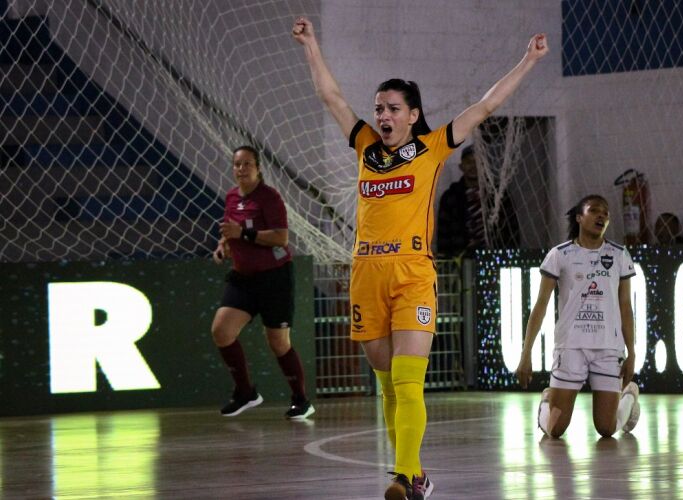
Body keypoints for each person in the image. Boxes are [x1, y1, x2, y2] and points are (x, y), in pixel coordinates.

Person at [292, 17, 547, 500]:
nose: (382, 115)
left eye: (392, 108)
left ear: (412, 115)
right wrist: (310, 45)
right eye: (378, 108)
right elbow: (332, 98)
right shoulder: (366, 145)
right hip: (366, 272)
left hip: (412, 273)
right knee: (388, 387)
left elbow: (488, 104)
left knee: (409, 384)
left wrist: (529, 60)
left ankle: (403, 476)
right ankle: (418, 477)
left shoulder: (433, 147)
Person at [515, 194, 640, 439]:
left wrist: (632, 353)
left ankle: (629, 396)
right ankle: (547, 400)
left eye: (605, 212)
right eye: (594, 210)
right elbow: (541, 305)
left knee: (606, 429)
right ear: (579, 218)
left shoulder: (619, 255)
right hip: (570, 347)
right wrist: (526, 353)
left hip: (607, 349)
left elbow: (626, 307)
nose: (602, 215)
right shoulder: (559, 254)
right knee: (554, 430)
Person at [211, 145, 315, 420]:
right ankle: (245, 392)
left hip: (274, 278)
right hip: (243, 278)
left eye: (247, 164)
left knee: (278, 342)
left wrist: (243, 233)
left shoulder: (269, 198)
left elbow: (281, 238)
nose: (241, 169)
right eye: (237, 164)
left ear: (258, 168)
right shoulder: (232, 197)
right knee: (221, 331)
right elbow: (229, 231)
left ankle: (301, 400)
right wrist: (223, 246)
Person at [436, 144, 520, 257]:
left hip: (495, 257)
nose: (473, 166)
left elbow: (512, 228)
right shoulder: (450, 197)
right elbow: (443, 233)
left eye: (478, 162)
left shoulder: (498, 196)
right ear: (461, 166)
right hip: (460, 258)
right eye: (468, 162)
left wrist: (511, 255)